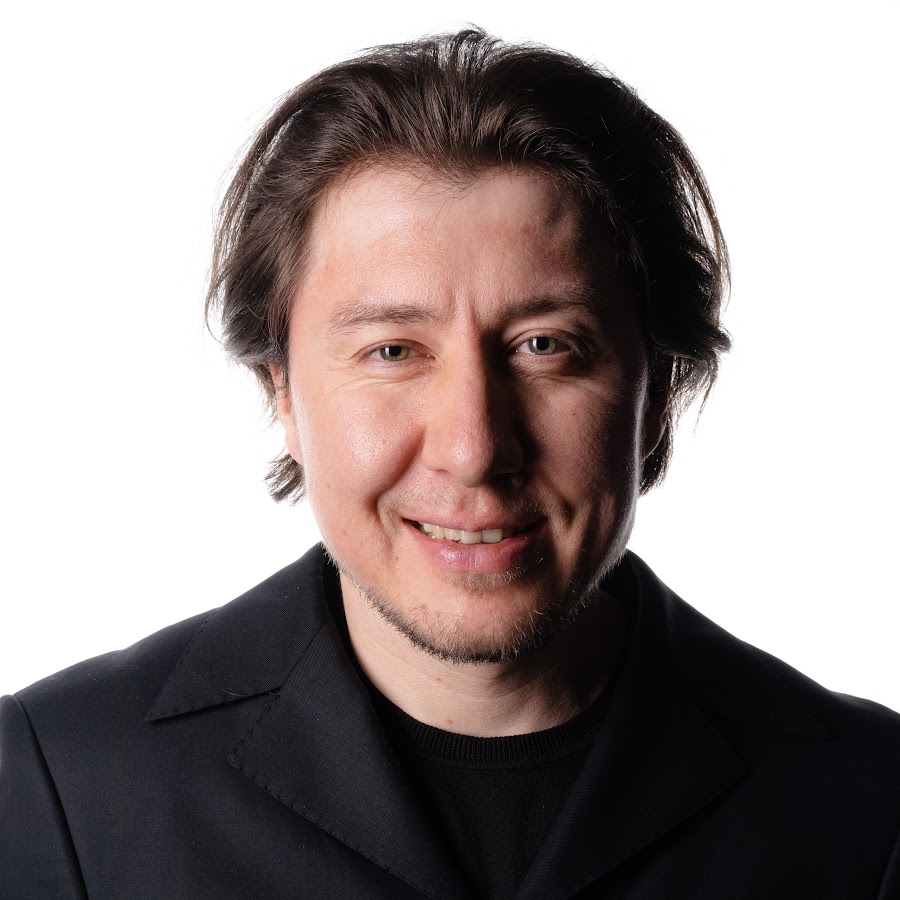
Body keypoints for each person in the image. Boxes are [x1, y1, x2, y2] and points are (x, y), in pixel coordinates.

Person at [1, 28, 898, 900]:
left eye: (546, 345)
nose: (473, 450)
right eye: (393, 351)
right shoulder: (60, 783)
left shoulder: (870, 806)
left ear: (659, 388)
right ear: (283, 393)